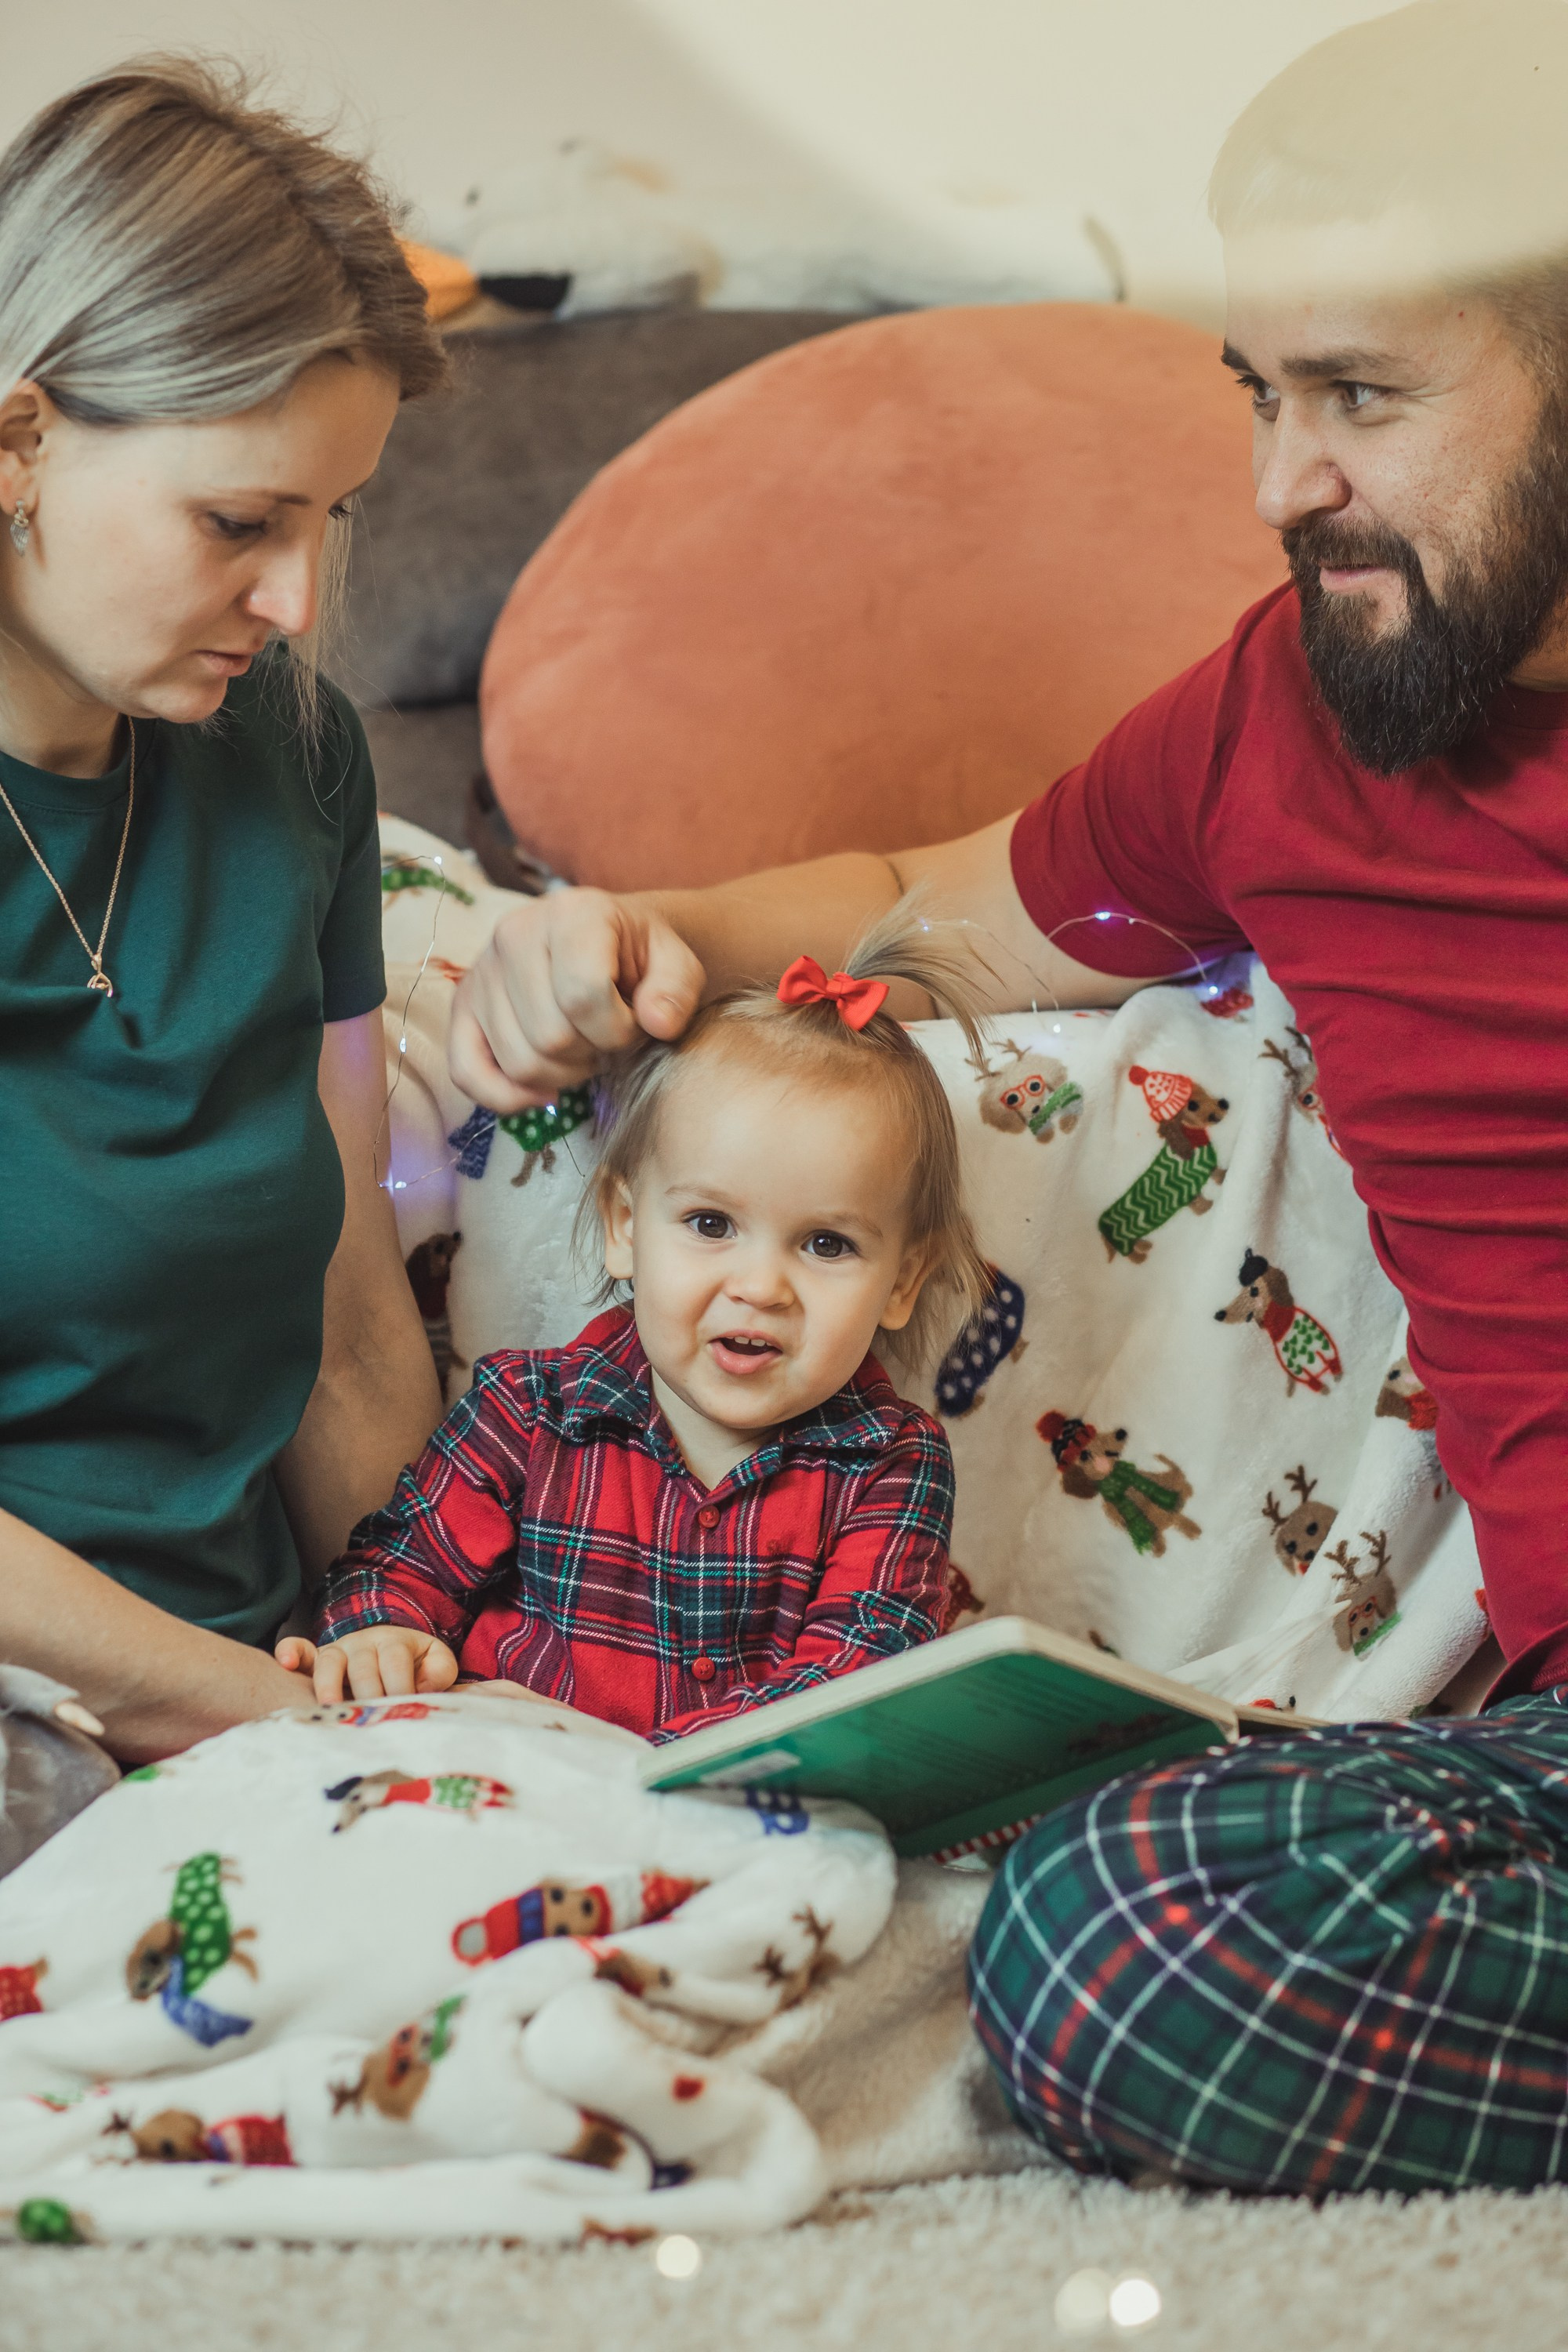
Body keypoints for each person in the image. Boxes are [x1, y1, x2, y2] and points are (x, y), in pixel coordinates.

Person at [445, 0, 1568, 2193]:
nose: (1278, 487)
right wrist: (626, 933)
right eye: (1262, 396)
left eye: (1360, 397)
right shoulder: (1294, 719)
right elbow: (925, 911)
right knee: (1109, 1940)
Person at [0, 61, 448, 1766]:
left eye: (333, 521)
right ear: (19, 440)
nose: (298, 601)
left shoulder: (294, 758)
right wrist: (257, 1719)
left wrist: (427, 1637)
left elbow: (342, 1312)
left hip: (267, 1681)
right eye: (241, 523)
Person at [280, 909, 985, 1737]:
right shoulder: (525, 1408)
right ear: (623, 1226)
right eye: (711, 1225)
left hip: (730, 1805)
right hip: (512, 1785)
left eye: (825, 1244)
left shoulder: (892, 1466)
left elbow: (853, 1684)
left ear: (901, 1282)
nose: (759, 1286)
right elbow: (401, 1561)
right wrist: (380, 1632)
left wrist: (627, 1756)